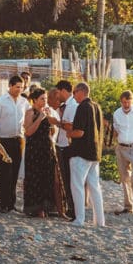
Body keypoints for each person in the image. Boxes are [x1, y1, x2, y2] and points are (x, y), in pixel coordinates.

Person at [22, 88, 66, 218]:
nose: (45, 101)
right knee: (36, 178)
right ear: (35, 100)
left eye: (46, 98)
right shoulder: (30, 112)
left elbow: (54, 128)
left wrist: (52, 121)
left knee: (53, 178)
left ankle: (56, 208)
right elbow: (28, 132)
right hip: (34, 150)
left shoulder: (48, 111)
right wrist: (40, 118)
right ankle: (38, 208)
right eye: (42, 99)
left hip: (47, 148)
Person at [67, 82, 105, 227]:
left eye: (75, 92)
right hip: (94, 152)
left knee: (77, 186)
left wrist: (69, 132)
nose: (73, 95)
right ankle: (100, 221)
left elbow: (79, 132)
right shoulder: (97, 106)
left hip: (81, 152)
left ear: (81, 92)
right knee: (95, 187)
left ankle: (79, 219)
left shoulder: (82, 107)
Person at [0, 75, 29, 213]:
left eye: (22, 87)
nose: (19, 89)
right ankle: (4, 204)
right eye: (17, 87)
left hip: (18, 140)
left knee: (15, 173)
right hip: (4, 140)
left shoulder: (24, 102)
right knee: (5, 172)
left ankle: (12, 204)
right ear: (10, 86)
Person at [55, 79, 77, 219]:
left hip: (67, 146)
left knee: (69, 179)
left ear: (63, 90)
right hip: (62, 144)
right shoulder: (66, 105)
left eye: (58, 92)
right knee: (66, 179)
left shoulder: (72, 106)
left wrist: (57, 122)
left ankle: (73, 209)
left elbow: (70, 125)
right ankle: (71, 207)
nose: (57, 96)